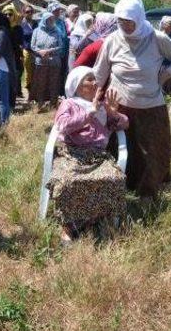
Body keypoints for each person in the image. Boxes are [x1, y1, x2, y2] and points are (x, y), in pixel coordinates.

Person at [93, 0, 171, 199]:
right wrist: (95, 95)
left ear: (138, 18)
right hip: (120, 106)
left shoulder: (155, 37)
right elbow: (100, 71)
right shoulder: (112, 40)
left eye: (129, 22)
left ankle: (148, 191)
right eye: (121, 21)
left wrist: (165, 76)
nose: (125, 26)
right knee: (123, 148)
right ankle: (121, 187)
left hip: (151, 105)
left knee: (153, 150)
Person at [49, 66, 129, 242]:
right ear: (77, 85)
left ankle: (93, 220)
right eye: (89, 79)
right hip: (72, 154)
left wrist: (112, 113)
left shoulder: (101, 106)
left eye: (95, 79)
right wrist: (89, 113)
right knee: (67, 181)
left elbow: (124, 124)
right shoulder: (69, 104)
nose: (95, 83)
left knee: (113, 178)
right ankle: (69, 227)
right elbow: (62, 126)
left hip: (99, 157)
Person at [30, 12, 63, 111]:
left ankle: (53, 105)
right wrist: (40, 52)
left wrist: (48, 51)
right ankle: (40, 103)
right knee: (41, 83)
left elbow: (61, 46)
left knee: (53, 83)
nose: (51, 21)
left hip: (54, 61)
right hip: (41, 61)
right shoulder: (36, 31)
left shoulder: (57, 31)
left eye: (52, 19)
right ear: (44, 20)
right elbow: (32, 45)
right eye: (49, 19)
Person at [2, 4, 24, 104]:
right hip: (2, 57)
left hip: (14, 57)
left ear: (14, 15)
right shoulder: (0, 28)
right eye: (5, 14)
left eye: (10, 14)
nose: (7, 16)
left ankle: (12, 103)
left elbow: (19, 43)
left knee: (13, 80)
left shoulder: (18, 28)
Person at [48, 2, 70, 96]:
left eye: (58, 10)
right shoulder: (49, 22)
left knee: (62, 73)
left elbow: (65, 35)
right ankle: (52, 94)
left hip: (64, 51)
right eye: (55, 11)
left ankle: (61, 93)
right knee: (53, 74)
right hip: (54, 52)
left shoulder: (62, 21)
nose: (57, 12)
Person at [20, 5, 37, 101]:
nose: (30, 13)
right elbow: (20, 39)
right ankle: (29, 94)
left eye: (31, 11)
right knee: (28, 73)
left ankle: (35, 93)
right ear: (23, 13)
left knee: (36, 72)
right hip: (26, 51)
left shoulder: (36, 24)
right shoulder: (21, 25)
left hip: (36, 51)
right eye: (27, 12)